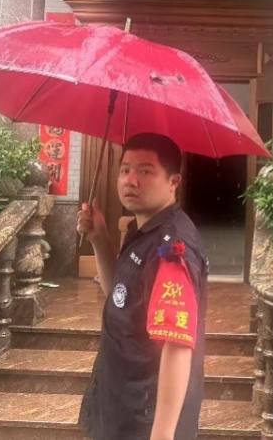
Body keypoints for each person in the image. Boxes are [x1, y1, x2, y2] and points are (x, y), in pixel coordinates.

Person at [76, 133, 208, 440]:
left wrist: (161, 435)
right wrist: (99, 238)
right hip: (120, 401)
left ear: (173, 181)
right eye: (125, 170)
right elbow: (119, 297)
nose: (130, 180)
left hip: (143, 419)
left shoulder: (171, 248)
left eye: (145, 171)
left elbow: (177, 345)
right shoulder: (144, 229)